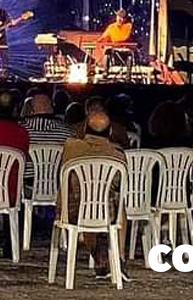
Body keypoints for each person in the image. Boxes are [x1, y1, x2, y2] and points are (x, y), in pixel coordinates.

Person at [59, 108, 127, 280]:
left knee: (85, 201)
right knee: (117, 207)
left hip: (71, 212)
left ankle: (99, 255)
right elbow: (118, 184)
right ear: (110, 131)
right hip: (106, 212)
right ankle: (119, 260)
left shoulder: (70, 146)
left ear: (83, 129)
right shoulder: (117, 154)